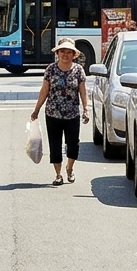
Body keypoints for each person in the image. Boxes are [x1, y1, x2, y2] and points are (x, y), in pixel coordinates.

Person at [29, 38, 89, 186]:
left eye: (69, 52)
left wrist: (86, 109)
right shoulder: (51, 69)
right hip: (52, 114)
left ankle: (69, 168)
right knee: (55, 144)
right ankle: (58, 174)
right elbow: (44, 91)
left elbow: (83, 91)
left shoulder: (78, 70)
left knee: (73, 144)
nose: (65, 55)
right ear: (58, 53)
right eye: (62, 51)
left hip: (72, 114)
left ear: (74, 54)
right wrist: (36, 110)